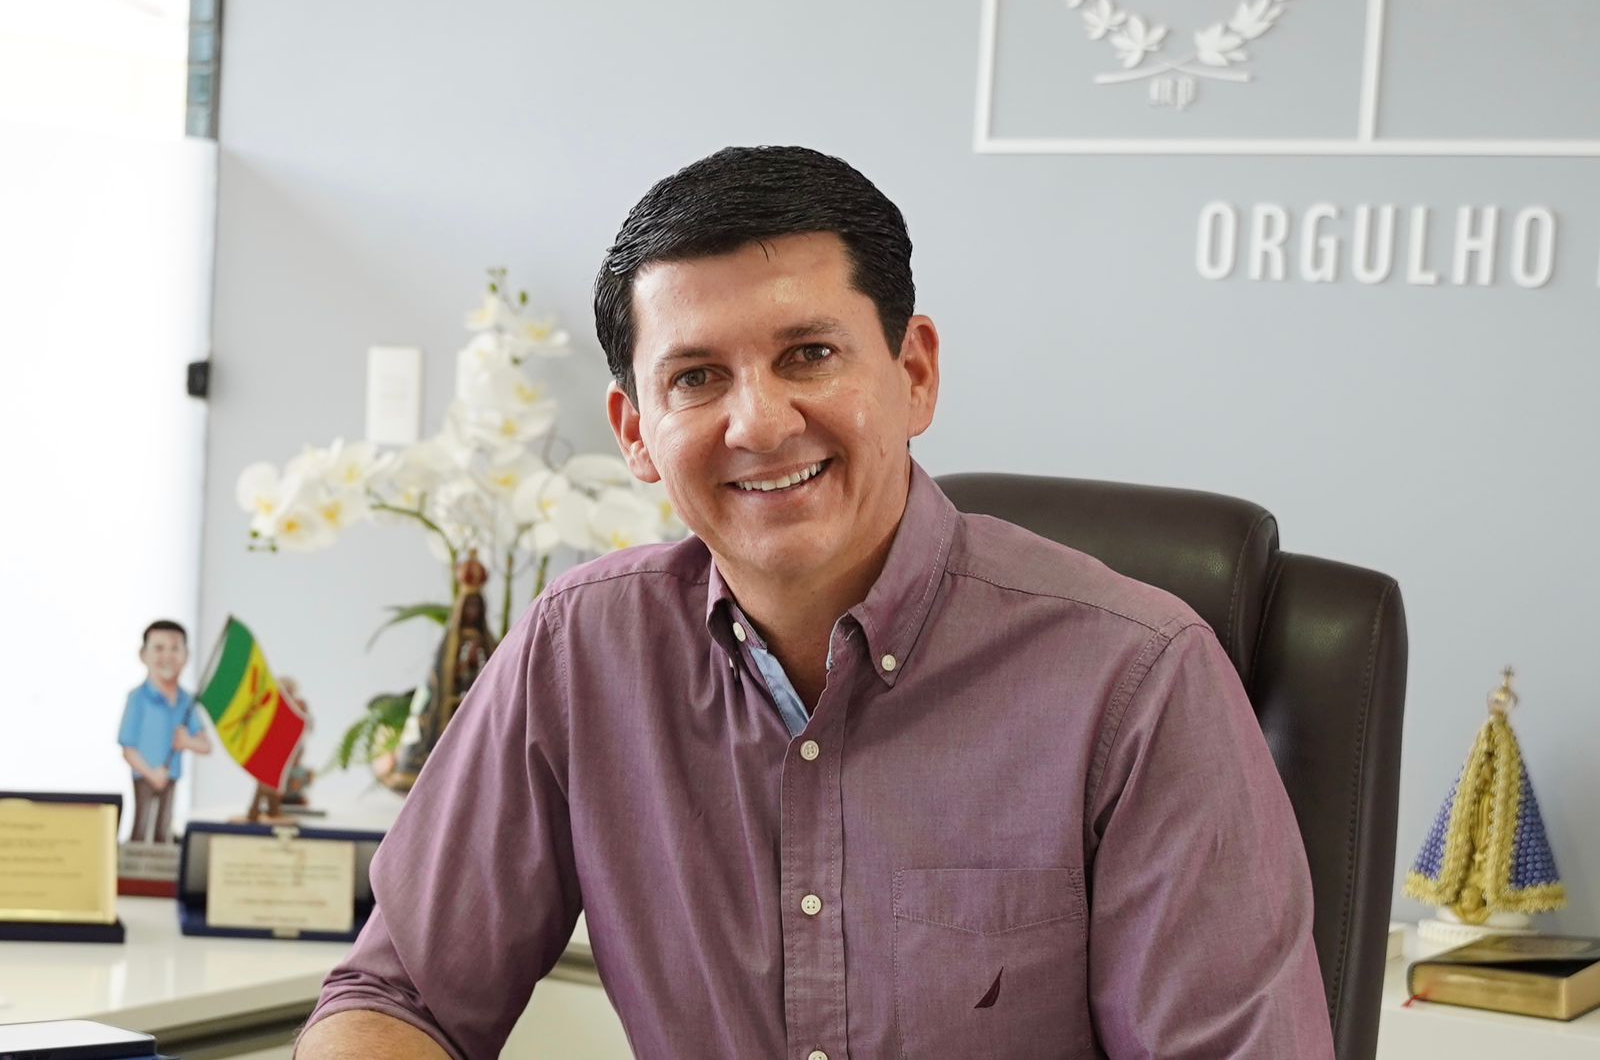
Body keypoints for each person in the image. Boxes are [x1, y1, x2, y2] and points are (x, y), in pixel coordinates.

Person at [298, 146, 1334, 1059]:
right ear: (635, 432)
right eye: (696, 377)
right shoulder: (580, 650)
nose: (758, 423)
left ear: (914, 372)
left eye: (810, 354)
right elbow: (400, 996)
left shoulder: (1139, 679)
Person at [117, 619, 212, 844]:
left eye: (174, 649)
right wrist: (151, 773)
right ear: (144, 655)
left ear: (186, 656)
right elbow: (128, 748)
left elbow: (205, 745)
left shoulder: (186, 701)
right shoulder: (138, 698)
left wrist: (187, 741)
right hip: (145, 775)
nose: (167, 656)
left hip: (170, 775)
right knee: (141, 825)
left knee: (164, 826)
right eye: (159, 648)